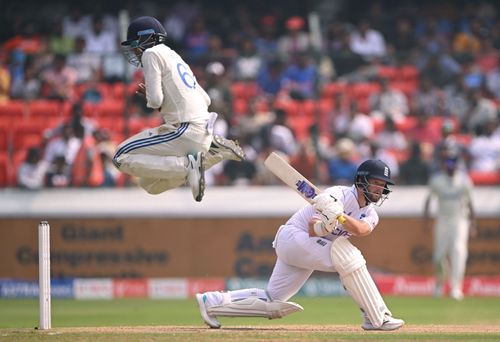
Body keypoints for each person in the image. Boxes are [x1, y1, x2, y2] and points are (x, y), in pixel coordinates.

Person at [196, 159, 405, 331]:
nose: (380, 188)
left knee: (273, 301)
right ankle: (376, 317)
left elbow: (360, 230)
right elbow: (312, 229)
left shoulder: (370, 214)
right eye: (376, 182)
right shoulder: (338, 194)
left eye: (383, 184)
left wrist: (338, 217)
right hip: (294, 237)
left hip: (305, 248)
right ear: (361, 181)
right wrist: (328, 220)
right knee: (348, 257)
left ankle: (212, 301)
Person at [114, 16, 245, 201]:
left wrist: (153, 100)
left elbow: (155, 99)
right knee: (149, 185)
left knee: (120, 156)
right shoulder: (174, 55)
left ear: (147, 39)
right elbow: (205, 99)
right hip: (203, 131)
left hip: (185, 130)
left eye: (135, 44)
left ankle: (188, 166)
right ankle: (212, 153)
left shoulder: (150, 53)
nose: (134, 50)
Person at [423, 148, 477, 300]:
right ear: (444, 165)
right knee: (439, 255)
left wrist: (473, 224)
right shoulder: (437, 180)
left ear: (457, 164)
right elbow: (428, 200)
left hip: (460, 220)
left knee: (458, 252)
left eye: (453, 162)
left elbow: (470, 203)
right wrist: (426, 220)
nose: (450, 165)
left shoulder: (464, 181)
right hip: (442, 220)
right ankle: (440, 285)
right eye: (448, 162)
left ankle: (456, 288)